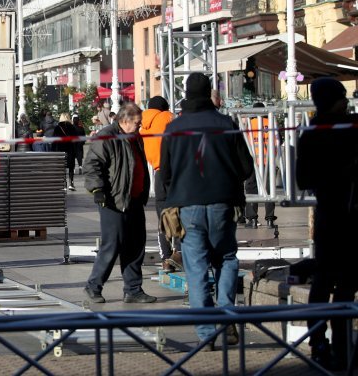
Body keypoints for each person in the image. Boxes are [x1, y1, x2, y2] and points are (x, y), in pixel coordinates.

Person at [161, 73, 253, 349]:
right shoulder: (226, 124)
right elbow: (247, 168)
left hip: (187, 205)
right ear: (210, 93)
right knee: (226, 257)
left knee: (196, 266)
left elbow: (164, 173)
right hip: (223, 203)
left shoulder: (174, 128)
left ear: (186, 94)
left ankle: (205, 332)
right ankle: (227, 319)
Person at [297, 78, 358, 371]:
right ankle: (343, 345)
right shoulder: (350, 129)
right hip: (349, 213)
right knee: (345, 284)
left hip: (326, 214)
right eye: (342, 98)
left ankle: (318, 341)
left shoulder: (310, 132)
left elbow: (302, 179)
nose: (346, 102)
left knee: (322, 281)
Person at [82, 102, 156, 304]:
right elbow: (92, 164)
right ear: (124, 121)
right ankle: (93, 286)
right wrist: (97, 190)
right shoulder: (107, 136)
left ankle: (133, 289)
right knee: (112, 244)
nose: (140, 126)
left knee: (135, 245)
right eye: (137, 123)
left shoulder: (135, 137)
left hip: (133, 200)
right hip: (113, 200)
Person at [140, 96, 180, 272]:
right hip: (174, 171)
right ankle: (178, 252)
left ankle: (165, 258)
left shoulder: (143, 123)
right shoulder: (168, 117)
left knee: (163, 217)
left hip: (158, 173)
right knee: (180, 213)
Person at [243, 102, 277, 229]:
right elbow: (276, 143)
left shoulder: (249, 124)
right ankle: (270, 219)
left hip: (252, 162)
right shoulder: (270, 123)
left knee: (251, 189)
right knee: (270, 190)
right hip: (268, 162)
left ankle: (252, 219)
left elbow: (245, 144)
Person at [54, 113, 82, 191]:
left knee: (62, 167)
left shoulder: (57, 127)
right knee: (71, 166)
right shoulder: (72, 127)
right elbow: (76, 139)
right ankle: (71, 183)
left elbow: (54, 140)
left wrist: (54, 150)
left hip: (60, 150)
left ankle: (64, 184)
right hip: (70, 149)